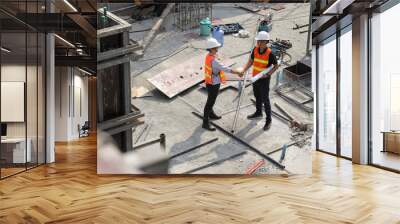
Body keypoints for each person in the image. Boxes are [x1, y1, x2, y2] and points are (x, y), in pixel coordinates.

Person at [241, 31, 279, 131]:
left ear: (266, 42)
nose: (258, 43)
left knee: (265, 99)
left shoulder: (270, 53)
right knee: (257, 96)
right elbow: (251, 61)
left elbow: (276, 66)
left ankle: (268, 120)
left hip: (264, 80)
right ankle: (258, 112)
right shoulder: (255, 49)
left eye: (261, 41)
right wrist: (244, 70)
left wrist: (268, 74)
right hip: (255, 78)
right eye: (258, 41)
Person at [203, 38, 242, 131]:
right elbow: (225, 68)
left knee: (211, 100)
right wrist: (237, 72)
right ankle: (205, 123)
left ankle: (211, 115)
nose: (217, 49)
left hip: (209, 81)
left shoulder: (208, 56)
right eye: (216, 48)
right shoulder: (214, 61)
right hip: (213, 83)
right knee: (210, 102)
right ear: (211, 48)